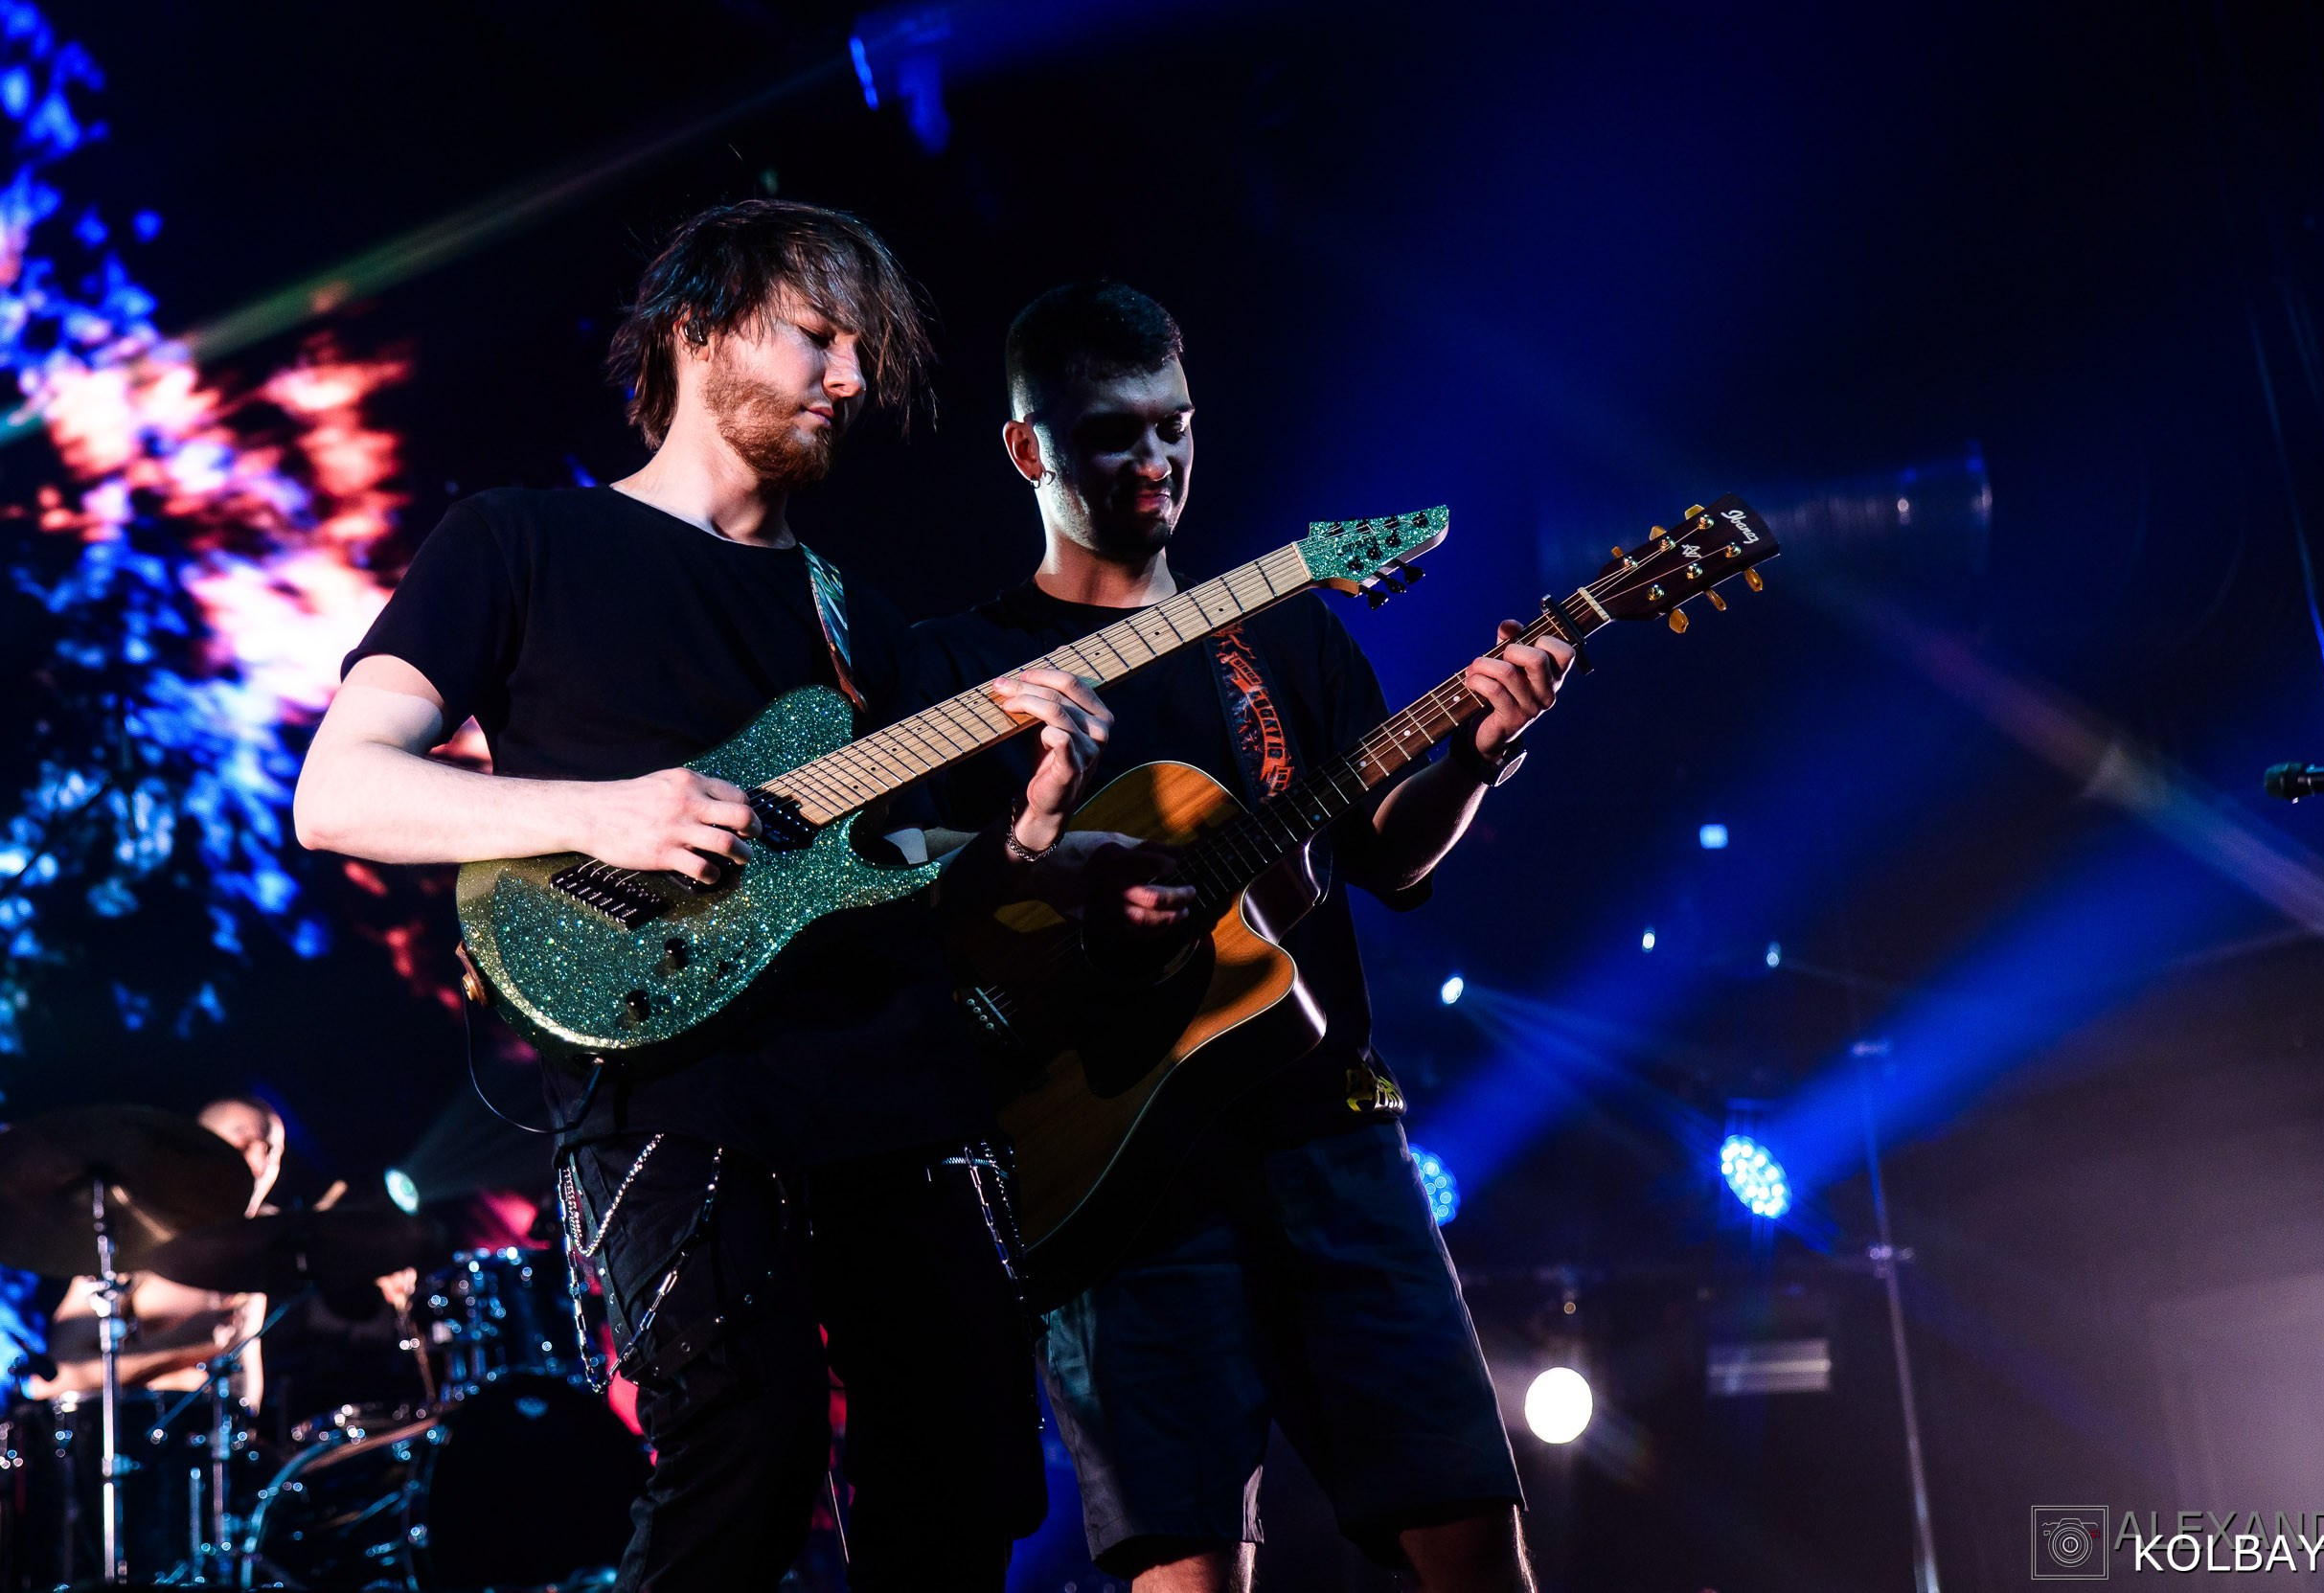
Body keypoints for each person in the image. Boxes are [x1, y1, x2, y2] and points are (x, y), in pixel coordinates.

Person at [293, 202, 1173, 1592]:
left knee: (967, 1475)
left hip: (901, 1090)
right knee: (743, 1459)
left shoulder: (855, 619)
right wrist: (610, 811)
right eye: (819, 339)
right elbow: (339, 791)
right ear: (700, 328)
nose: (850, 381)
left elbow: (910, 886)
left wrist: (1036, 840)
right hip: (671, 1084)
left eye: (861, 355)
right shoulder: (517, 542)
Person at [900, 282, 1576, 1593]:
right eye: (1113, 434)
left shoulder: (1280, 628)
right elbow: (928, 906)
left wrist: (1482, 755)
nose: (1155, 463)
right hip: (1106, 1180)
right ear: (1027, 448)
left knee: (1479, 1550)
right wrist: (1073, 893)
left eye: (1174, 428)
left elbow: (1383, 853)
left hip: (1330, 1136)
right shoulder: (960, 668)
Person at [32, 1097, 285, 1406]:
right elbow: (55, 1378)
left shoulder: (267, 1245)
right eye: (242, 1143)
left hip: (232, 1444)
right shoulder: (135, 1241)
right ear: (199, 1150)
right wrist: (182, 1346)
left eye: (270, 1151)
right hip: (148, 1447)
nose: (259, 1165)